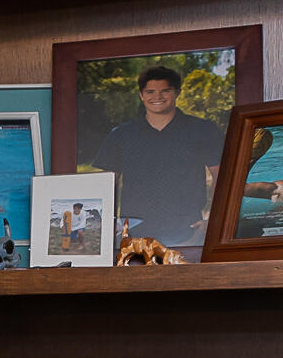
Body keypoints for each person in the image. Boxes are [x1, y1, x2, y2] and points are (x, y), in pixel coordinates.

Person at [86, 65, 223, 252]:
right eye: (150, 91)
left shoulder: (202, 130)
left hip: (188, 234)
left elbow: (221, 176)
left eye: (165, 90)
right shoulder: (121, 135)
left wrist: (213, 222)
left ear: (177, 92)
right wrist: (108, 224)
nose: (157, 97)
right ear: (141, 95)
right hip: (135, 236)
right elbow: (107, 184)